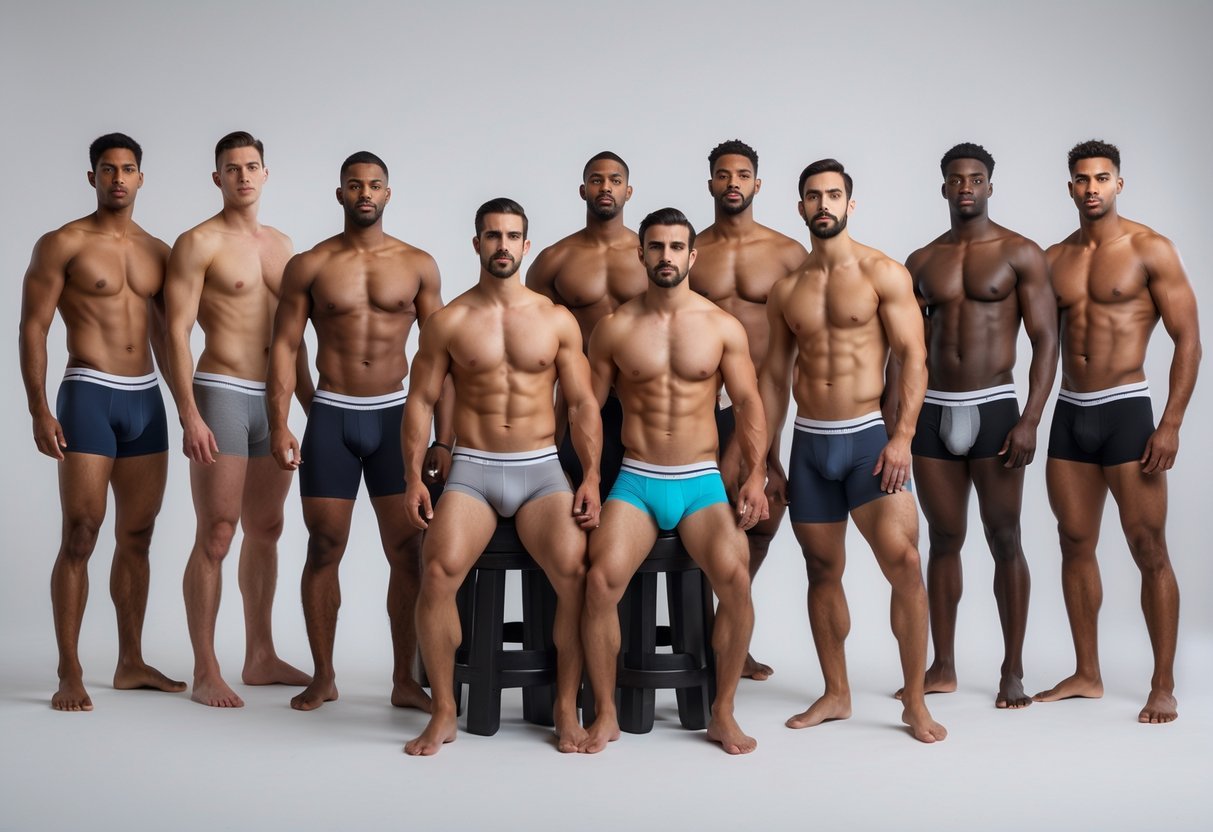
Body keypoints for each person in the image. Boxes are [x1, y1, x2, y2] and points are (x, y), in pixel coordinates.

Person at [403, 198, 601, 756]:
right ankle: (444, 710)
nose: (503, 246)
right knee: (437, 570)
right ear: (477, 245)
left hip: (539, 469)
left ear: (526, 245)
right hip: (475, 469)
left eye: (513, 236)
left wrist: (586, 476)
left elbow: (583, 404)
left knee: (574, 570)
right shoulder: (450, 322)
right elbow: (419, 401)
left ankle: (565, 705)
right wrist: (414, 476)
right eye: (493, 236)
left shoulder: (555, 319)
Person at [759, 159, 947, 743]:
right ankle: (836, 692)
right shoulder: (786, 290)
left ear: (850, 204)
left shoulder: (881, 273)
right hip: (811, 445)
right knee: (821, 569)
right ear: (799, 207)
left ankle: (914, 700)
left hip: (869, 439)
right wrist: (766, 456)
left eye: (834, 195)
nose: (824, 204)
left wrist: (903, 438)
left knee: (906, 564)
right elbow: (771, 377)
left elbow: (913, 356)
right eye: (813, 195)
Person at [267, 151, 448, 712]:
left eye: (374, 185)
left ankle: (403, 679)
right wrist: (281, 422)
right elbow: (283, 346)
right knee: (324, 545)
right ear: (340, 193)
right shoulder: (311, 265)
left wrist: (442, 435)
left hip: (396, 417)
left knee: (408, 551)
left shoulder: (418, 264)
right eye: (354, 185)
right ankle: (323, 675)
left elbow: (440, 354)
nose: (365, 193)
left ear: (388, 194)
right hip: (332, 417)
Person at [581, 207, 764, 755]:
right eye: (656, 247)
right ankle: (608, 713)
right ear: (641, 254)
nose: (666, 257)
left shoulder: (720, 326)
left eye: (676, 247)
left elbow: (751, 402)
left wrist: (754, 474)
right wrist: (590, 476)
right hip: (637, 479)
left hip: (700, 482)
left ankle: (723, 712)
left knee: (735, 580)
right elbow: (587, 407)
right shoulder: (614, 327)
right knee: (598, 582)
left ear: (692, 255)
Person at [1034, 140, 1200, 724]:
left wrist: (1171, 423)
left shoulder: (1149, 248)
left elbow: (1188, 338)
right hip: (1070, 414)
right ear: (1070, 186)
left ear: (1119, 184)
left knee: (1148, 548)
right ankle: (1088, 672)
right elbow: (1036, 342)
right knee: (1073, 543)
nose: (1091, 188)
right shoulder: (1054, 258)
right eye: (1081, 179)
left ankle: (1163, 684)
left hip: (1128, 410)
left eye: (1102, 178)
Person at [19, 133, 186, 710]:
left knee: (138, 536)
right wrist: (39, 407)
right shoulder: (62, 243)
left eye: (129, 169)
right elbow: (33, 327)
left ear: (142, 178)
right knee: (81, 534)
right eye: (108, 169)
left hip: (146, 399)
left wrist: (186, 409)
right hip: (88, 393)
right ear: (92, 177)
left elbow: (168, 338)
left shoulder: (159, 252)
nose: (119, 178)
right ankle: (70, 670)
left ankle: (131, 661)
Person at [898, 142, 1057, 709]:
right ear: (943, 188)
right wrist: (901, 421)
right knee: (942, 540)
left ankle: (1012, 670)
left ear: (990, 186)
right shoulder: (920, 261)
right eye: (956, 179)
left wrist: (1031, 419)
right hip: (933, 411)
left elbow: (1045, 341)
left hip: (995, 408)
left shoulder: (1021, 253)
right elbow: (906, 351)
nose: (966, 186)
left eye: (976, 178)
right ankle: (942, 665)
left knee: (1005, 538)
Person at [164, 131, 314, 707]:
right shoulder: (197, 242)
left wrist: (310, 405)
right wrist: (189, 413)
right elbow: (177, 331)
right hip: (221, 391)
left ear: (266, 174)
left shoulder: (284, 246)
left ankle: (260, 655)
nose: (243, 177)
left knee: (267, 529)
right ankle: (206, 669)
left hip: (271, 400)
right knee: (218, 530)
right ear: (217, 178)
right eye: (232, 169)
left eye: (252, 167)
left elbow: (292, 339)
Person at [691, 139, 808, 681]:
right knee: (702, 517)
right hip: (702, 404)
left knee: (766, 509)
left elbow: (810, 336)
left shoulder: (787, 253)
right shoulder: (691, 250)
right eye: (722, 174)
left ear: (758, 184)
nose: (732, 182)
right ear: (710, 183)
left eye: (743, 174)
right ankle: (706, 642)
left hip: (767, 399)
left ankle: (728, 631)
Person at [526, 151, 647, 499]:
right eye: (596, 180)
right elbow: (528, 331)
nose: (605, 187)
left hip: (640, 401)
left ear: (629, 191)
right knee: (577, 502)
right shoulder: (555, 259)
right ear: (583, 190)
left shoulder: (651, 256)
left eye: (615, 180)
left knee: (643, 511)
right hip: (577, 398)